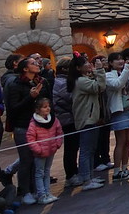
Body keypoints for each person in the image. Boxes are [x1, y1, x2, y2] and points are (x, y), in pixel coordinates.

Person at [4, 57, 51, 204]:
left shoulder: (41, 82)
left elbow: (48, 102)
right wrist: (30, 97)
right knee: (26, 160)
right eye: (32, 63)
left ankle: (38, 190)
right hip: (23, 126)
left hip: (40, 125)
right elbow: (13, 109)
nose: (37, 64)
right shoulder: (15, 84)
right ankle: (25, 191)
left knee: (39, 160)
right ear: (24, 68)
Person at [68, 55, 106, 191]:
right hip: (86, 119)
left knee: (91, 150)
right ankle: (86, 179)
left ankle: (89, 176)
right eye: (85, 63)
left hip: (91, 118)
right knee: (86, 150)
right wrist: (100, 70)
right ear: (78, 68)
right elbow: (100, 87)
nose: (88, 64)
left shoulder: (84, 79)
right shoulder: (81, 81)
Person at [104, 52, 129, 180]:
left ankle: (125, 168)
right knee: (120, 141)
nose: (120, 62)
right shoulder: (108, 76)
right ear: (110, 63)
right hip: (119, 111)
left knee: (127, 141)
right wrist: (126, 70)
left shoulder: (126, 72)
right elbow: (118, 84)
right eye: (116, 60)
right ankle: (116, 171)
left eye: (121, 59)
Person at [26, 97, 62, 205]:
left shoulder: (53, 120)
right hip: (40, 153)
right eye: (44, 107)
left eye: (48, 106)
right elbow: (30, 139)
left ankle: (48, 193)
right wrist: (39, 150)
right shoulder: (33, 123)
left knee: (47, 172)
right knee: (39, 173)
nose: (48, 109)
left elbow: (59, 132)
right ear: (38, 110)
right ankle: (41, 195)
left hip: (51, 150)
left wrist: (57, 144)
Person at [51, 58, 80, 187]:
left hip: (69, 117)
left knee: (73, 147)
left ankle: (74, 171)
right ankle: (71, 174)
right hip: (66, 119)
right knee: (71, 147)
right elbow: (70, 98)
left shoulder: (63, 81)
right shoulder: (60, 82)